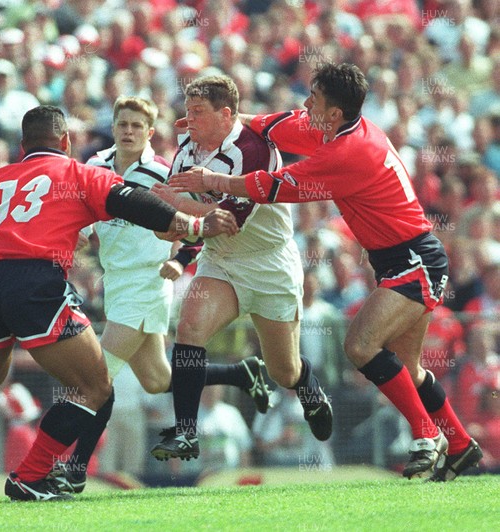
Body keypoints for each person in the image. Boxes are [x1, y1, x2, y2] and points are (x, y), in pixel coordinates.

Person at [169, 63, 482, 481]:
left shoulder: (349, 153)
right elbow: (277, 125)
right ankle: (459, 444)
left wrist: (213, 180)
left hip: (415, 260)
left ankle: (427, 434)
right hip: (396, 260)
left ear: (332, 112)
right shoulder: (336, 128)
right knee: (408, 366)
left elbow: (273, 186)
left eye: (312, 99)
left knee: (360, 345)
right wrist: (226, 119)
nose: (304, 104)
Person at [0, 105, 239, 505]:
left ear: (22, 147)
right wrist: (194, 226)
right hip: (38, 284)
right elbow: (135, 202)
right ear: (66, 142)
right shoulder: (77, 173)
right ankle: (31, 477)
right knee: (95, 387)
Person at [50, 97, 271, 493]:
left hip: (149, 281)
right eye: (123, 124)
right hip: (116, 283)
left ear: (150, 132)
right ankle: (241, 373)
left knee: (100, 376)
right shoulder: (95, 167)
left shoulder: (161, 172)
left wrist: (182, 259)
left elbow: (202, 217)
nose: (129, 131)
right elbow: (81, 222)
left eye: (137, 125)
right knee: (156, 379)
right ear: (114, 127)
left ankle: (74, 469)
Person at [150, 75, 333, 462]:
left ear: (226, 114)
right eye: (187, 111)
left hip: (268, 263)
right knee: (189, 329)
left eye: (198, 112)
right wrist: (171, 231)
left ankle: (307, 385)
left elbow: (227, 219)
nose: (189, 120)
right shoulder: (187, 148)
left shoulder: (254, 150)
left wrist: (172, 205)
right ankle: (185, 432)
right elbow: (188, 220)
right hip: (220, 260)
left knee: (283, 370)